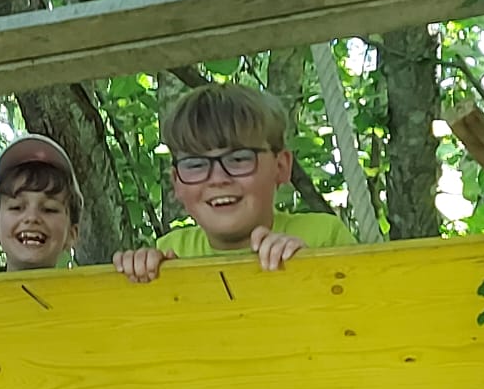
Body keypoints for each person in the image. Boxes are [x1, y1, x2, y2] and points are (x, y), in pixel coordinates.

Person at [113, 83, 357, 283]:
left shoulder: (324, 237)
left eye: (239, 159)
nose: (218, 179)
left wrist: (311, 267)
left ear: (281, 167)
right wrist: (139, 271)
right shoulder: (171, 251)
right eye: (195, 164)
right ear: (176, 182)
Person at [0, 133, 82, 271]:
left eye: (49, 209)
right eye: (16, 207)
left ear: (71, 234)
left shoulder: (100, 284)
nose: (32, 217)